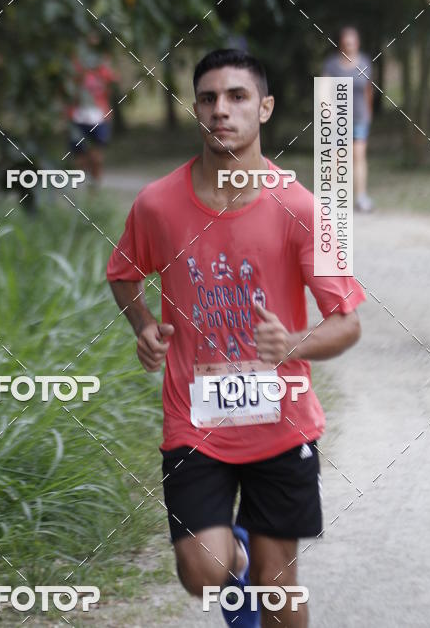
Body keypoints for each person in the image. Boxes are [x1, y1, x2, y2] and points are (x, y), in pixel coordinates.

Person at [106, 48, 366, 627]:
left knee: (281, 590)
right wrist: (144, 326)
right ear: (196, 108)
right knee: (202, 572)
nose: (220, 110)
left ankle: (259, 570)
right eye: (208, 98)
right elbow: (123, 273)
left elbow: (347, 321)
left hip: (281, 422)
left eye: (237, 96)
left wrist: (292, 345)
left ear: (265, 108)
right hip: (195, 422)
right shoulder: (158, 205)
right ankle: (238, 559)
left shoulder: (302, 208)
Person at [323, 26, 374, 212]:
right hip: (339, 120)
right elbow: (324, 90)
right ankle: (332, 198)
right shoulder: (332, 65)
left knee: (359, 156)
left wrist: (369, 113)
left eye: (352, 42)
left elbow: (368, 90)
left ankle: (361, 197)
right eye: (346, 43)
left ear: (357, 43)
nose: (349, 45)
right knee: (336, 159)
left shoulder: (365, 62)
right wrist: (328, 110)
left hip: (360, 117)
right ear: (341, 44)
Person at [66, 32, 119, 187]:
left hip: (99, 116)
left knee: (97, 157)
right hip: (78, 117)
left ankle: (95, 189)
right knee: (80, 159)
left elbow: (113, 81)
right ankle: (82, 189)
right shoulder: (75, 63)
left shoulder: (104, 63)